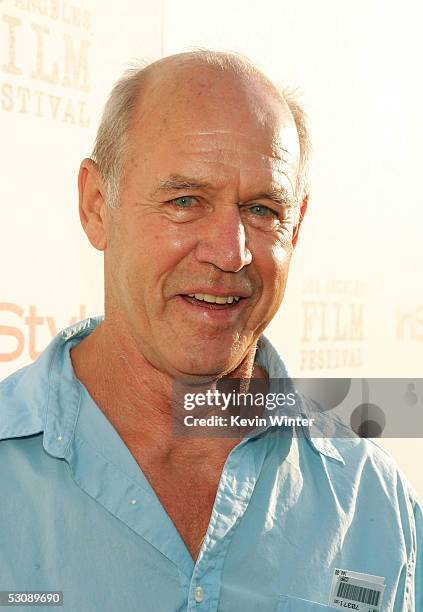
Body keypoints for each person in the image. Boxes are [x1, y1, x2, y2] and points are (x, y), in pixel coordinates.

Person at [0, 50, 421, 612]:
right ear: (97, 206)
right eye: (185, 201)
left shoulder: (374, 504)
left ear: (296, 227)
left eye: (263, 209)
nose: (231, 252)